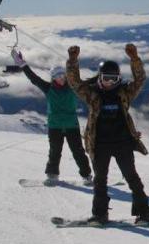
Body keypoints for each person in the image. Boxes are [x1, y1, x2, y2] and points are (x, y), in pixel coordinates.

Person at [66, 43, 149, 225]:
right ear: (100, 77)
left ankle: (143, 214)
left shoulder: (125, 93)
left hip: (123, 143)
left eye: (113, 79)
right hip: (99, 144)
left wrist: (134, 59)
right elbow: (74, 83)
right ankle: (100, 214)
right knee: (100, 181)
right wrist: (72, 61)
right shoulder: (92, 94)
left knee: (132, 177)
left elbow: (140, 80)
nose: (109, 83)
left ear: (119, 78)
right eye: (106, 78)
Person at [11, 49, 92, 186]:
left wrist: (105, 75)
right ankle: (52, 175)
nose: (60, 78)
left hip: (71, 125)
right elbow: (34, 78)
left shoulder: (73, 88)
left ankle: (87, 176)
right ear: (53, 78)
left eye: (62, 75)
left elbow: (88, 83)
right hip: (55, 126)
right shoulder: (48, 88)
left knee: (78, 152)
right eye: (57, 76)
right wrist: (23, 65)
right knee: (55, 152)